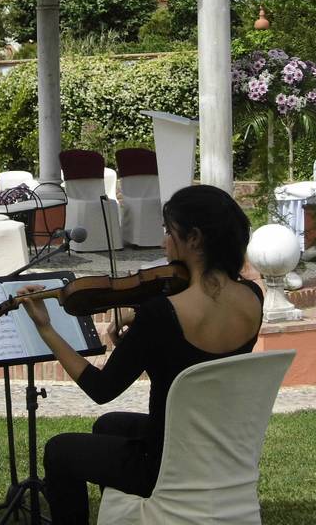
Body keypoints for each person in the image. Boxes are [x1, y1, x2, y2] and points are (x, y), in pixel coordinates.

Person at [17, 185, 264, 525]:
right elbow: (190, 354)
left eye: (169, 232)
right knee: (109, 425)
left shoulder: (162, 314)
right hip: (215, 447)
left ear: (193, 239)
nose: (164, 242)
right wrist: (143, 325)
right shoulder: (252, 297)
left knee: (60, 450)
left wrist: (46, 329)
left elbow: (101, 389)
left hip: (165, 463)